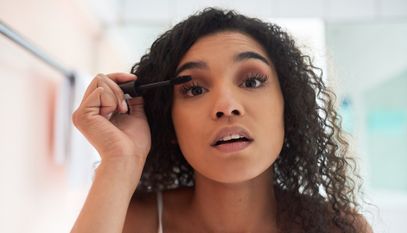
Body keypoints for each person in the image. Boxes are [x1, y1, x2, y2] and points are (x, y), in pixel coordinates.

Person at [70, 8, 372, 233]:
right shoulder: (133, 221)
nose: (226, 106)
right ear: (169, 122)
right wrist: (120, 160)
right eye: (195, 89)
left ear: (287, 108)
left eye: (252, 82)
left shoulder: (341, 228)